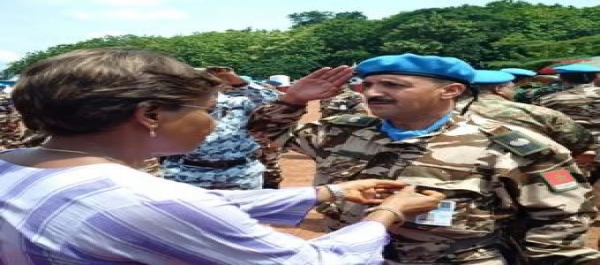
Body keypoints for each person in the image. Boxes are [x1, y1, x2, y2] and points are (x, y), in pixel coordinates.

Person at [0, 48, 449, 264]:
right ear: (150, 114)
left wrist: (324, 193)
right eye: (207, 112)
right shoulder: (147, 201)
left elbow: (186, 208)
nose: (214, 125)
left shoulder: (18, 164)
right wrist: (386, 215)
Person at [248, 53, 600, 264]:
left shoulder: (513, 147)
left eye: (392, 84)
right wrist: (291, 101)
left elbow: (561, 218)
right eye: (368, 84)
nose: (373, 92)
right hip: (354, 254)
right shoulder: (342, 131)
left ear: (450, 90)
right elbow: (266, 134)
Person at [161, 66, 283, 190]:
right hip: (188, 174)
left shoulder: (239, 103)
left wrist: (236, 80)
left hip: (240, 174)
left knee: (244, 209)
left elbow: (275, 101)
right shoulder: (175, 107)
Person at [458, 69, 594, 155]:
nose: (515, 91)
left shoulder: (445, 111)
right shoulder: (538, 113)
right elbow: (580, 141)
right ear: (498, 89)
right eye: (511, 87)